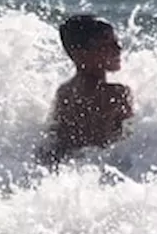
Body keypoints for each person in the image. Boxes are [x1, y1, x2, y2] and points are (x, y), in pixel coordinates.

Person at [38, 15, 134, 166]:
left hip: (71, 170)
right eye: (107, 44)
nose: (118, 48)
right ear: (81, 53)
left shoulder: (64, 91)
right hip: (102, 171)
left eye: (116, 41)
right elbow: (132, 143)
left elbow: (55, 139)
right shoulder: (116, 94)